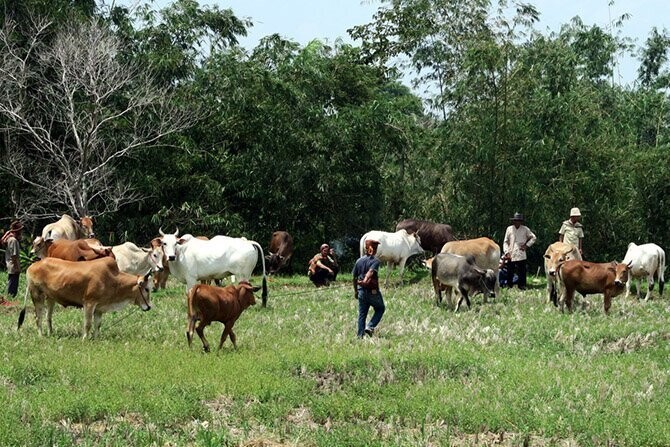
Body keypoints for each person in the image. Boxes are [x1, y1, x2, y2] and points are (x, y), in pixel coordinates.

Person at [352, 239, 385, 338]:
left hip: (361, 292)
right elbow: (370, 272)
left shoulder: (359, 261)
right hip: (373, 292)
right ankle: (370, 326)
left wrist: (356, 291)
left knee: (362, 314)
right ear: (374, 249)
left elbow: (354, 278)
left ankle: (360, 335)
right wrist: (366, 281)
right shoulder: (375, 261)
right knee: (380, 308)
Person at [502, 212, 537, 290]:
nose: (517, 222)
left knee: (522, 270)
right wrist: (506, 251)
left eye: (519, 221)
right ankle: (509, 285)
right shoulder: (509, 229)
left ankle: (522, 285)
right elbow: (505, 241)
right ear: (513, 221)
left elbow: (533, 238)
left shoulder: (525, 229)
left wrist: (526, 246)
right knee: (510, 270)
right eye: (516, 220)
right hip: (511, 251)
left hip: (521, 251)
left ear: (521, 221)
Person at [1, 220, 24, 305]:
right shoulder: (13, 240)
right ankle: (10, 300)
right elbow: (14, 256)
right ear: (17, 231)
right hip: (13, 265)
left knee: (12, 282)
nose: (21, 232)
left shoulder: (11, 239)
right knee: (13, 284)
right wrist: (17, 267)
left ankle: (10, 299)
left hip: (11, 264)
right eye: (20, 230)